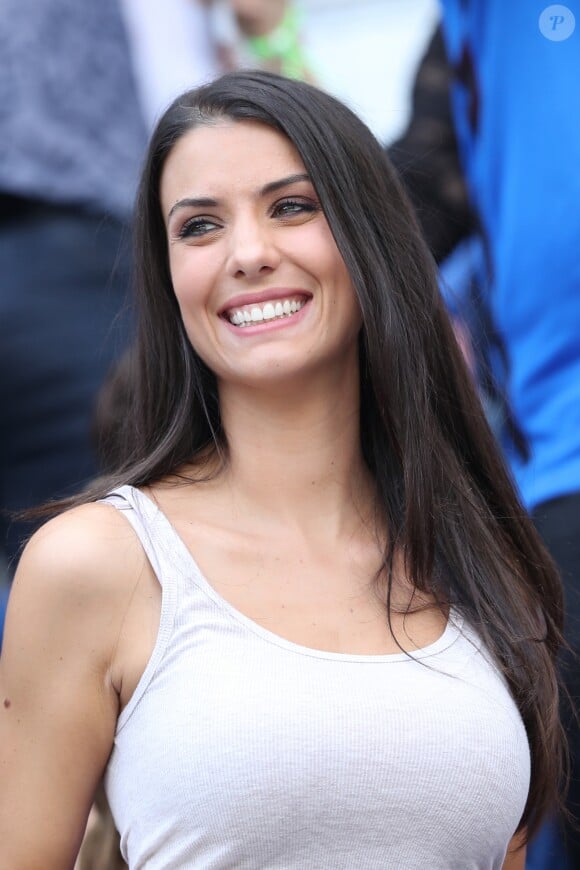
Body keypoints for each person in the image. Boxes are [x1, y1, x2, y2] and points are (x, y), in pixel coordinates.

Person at [0, 70, 566, 868]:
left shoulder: (478, 559)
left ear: (372, 240)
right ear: (168, 278)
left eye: (292, 207)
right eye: (198, 227)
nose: (249, 253)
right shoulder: (97, 563)